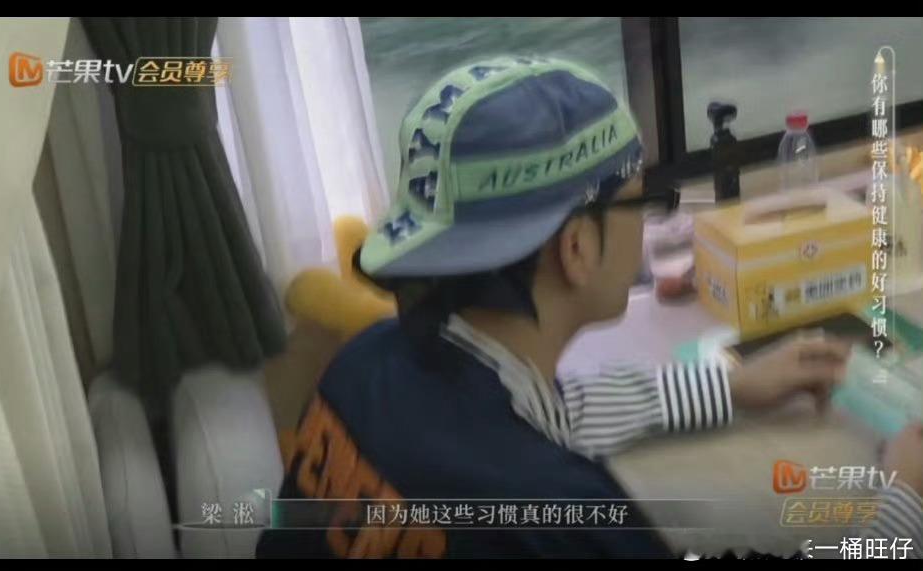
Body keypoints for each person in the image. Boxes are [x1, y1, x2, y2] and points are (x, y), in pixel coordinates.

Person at [257, 56, 922, 559]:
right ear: (576, 247)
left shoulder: (367, 362)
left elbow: (533, 412)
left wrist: (727, 386)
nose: (649, 221)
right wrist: (905, 503)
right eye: (642, 201)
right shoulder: (562, 515)